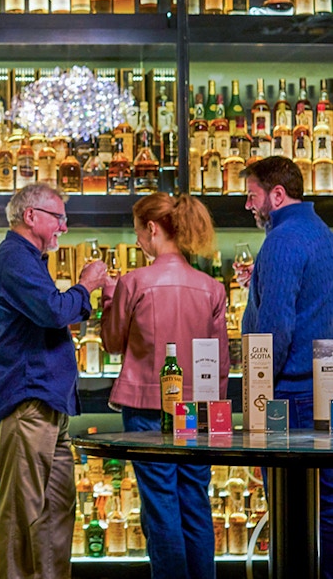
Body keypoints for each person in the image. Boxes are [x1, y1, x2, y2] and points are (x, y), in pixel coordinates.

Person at [100, 193, 228, 579]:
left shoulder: (134, 282)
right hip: (196, 411)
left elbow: (111, 343)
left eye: (138, 232)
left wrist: (109, 299)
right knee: (194, 501)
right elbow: (221, 362)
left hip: (146, 409)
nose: (138, 239)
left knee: (160, 505)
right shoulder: (211, 288)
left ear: (152, 229)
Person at [0, 183, 106, 579]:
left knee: (55, 513)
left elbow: (51, 314)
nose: (64, 228)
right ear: (31, 216)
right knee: (22, 517)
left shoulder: (30, 260)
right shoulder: (13, 258)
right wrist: (86, 285)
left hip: (46, 404)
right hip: (27, 403)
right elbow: (54, 312)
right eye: (59, 218)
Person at [236, 156, 333, 578]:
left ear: (277, 195)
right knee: (326, 503)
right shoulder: (322, 234)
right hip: (325, 386)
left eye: (252, 196)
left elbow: (273, 331)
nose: (247, 206)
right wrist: (260, 282)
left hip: (290, 396)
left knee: (290, 509)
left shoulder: (281, 240)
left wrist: (257, 399)